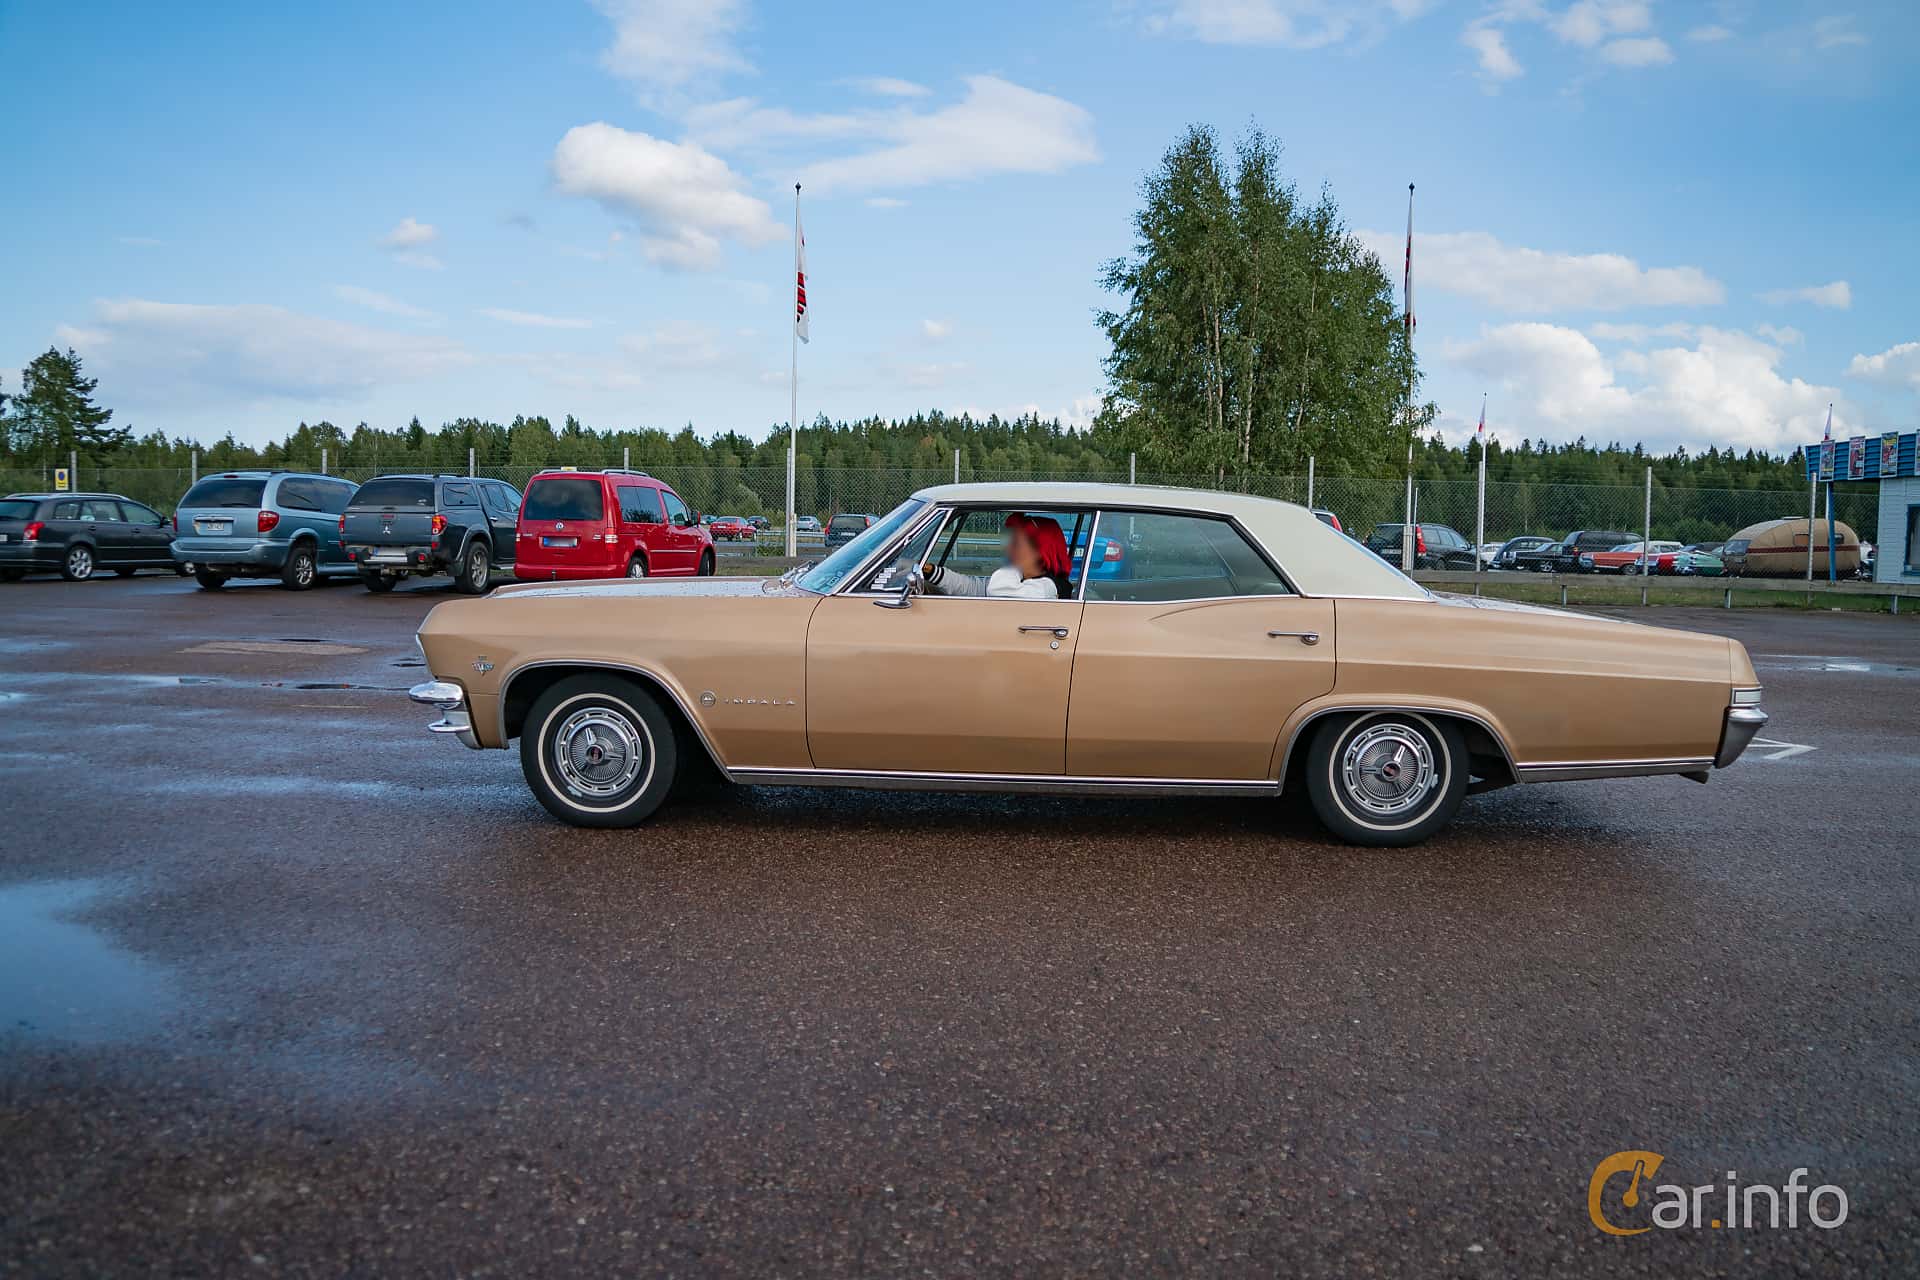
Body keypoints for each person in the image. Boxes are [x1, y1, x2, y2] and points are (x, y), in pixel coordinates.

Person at [923, 514, 1072, 599]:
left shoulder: (1048, 587)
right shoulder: (1024, 581)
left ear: (1039, 552)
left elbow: (999, 590)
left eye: (1016, 543)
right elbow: (975, 588)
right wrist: (931, 572)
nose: (1008, 547)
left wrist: (1015, 568)